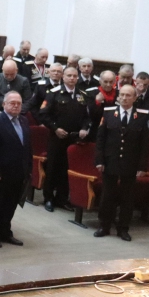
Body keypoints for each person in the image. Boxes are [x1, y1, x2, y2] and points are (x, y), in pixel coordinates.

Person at [93, 85, 149, 241]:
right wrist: (99, 160)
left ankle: (123, 228)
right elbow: (100, 139)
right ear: (118, 97)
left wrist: (142, 166)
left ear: (134, 98)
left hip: (130, 162)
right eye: (122, 95)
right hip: (111, 160)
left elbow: (144, 145)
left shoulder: (142, 116)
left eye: (128, 95)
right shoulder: (109, 113)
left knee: (127, 197)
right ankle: (104, 226)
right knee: (107, 195)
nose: (125, 98)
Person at [0, 92, 33, 247]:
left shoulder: (24, 121)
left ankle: (5, 232)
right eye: (12, 103)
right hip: (1, 173)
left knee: (11, 204)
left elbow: (27, 148)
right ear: (4, 104)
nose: (16, 105)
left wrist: (28, 169)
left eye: (18, 103)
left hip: (19, 172)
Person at [39, 67, 91, 212]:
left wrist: (84, 128)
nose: (72, 78)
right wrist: (55, 128)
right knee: (53, 168)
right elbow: (43, 114)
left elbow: (87, 117)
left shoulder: (82, 95)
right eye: (69, 75)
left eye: (75, 76)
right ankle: (48, 198)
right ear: (63, 77)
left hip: (73, 138)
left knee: (67, 169)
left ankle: (62, 198)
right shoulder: (54, 93)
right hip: (57, 137)